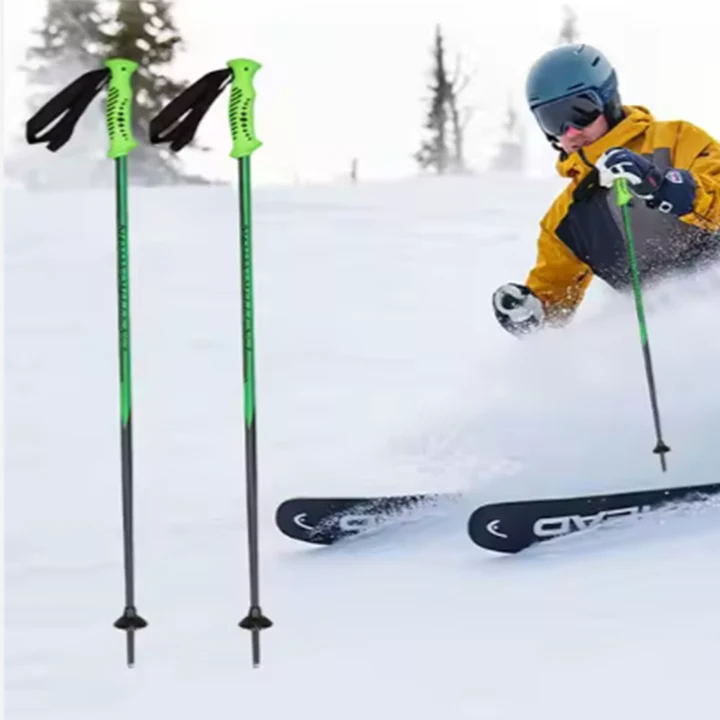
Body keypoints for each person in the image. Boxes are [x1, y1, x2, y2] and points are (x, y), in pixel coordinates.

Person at [493, 43, 720, 337]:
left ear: (608, 100)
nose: (571, 131)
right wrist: (529, 313)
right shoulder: (566, 218)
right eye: (553, 121)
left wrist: (666, 186)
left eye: (580, 111)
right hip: (666, 340)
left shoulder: (674, 140)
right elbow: (553, 301)